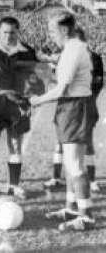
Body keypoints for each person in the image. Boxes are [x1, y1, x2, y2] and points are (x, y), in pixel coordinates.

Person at [30, 11, 95, 231]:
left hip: (74, 107)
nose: (50, 35)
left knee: (75, 165)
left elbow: (61, 89)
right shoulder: (72, 48)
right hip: (69, 107)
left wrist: (36, 100)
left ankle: (86, 216)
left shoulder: (74, 49)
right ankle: (72, 208)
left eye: (52, 30)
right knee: (70, 163)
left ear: (64, 30)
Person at [0, 16, 37, 200]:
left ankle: (14, 186)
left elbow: (35, 80)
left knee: (16, 145)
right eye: (4, 32)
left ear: (18, 31)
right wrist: (2, 92)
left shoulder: (27, 52)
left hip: (18, 106)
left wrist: (30, 99)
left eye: (12, 32)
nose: (8, 36)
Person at [44, 28, 104, 193]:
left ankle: (91, 180)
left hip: (84, 106)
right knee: (61, 142)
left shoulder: (94, 57)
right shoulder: (66, 56)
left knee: (87, 143)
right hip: (65, 106)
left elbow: (98, 83)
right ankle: (56, 178)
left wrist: (88, 100)